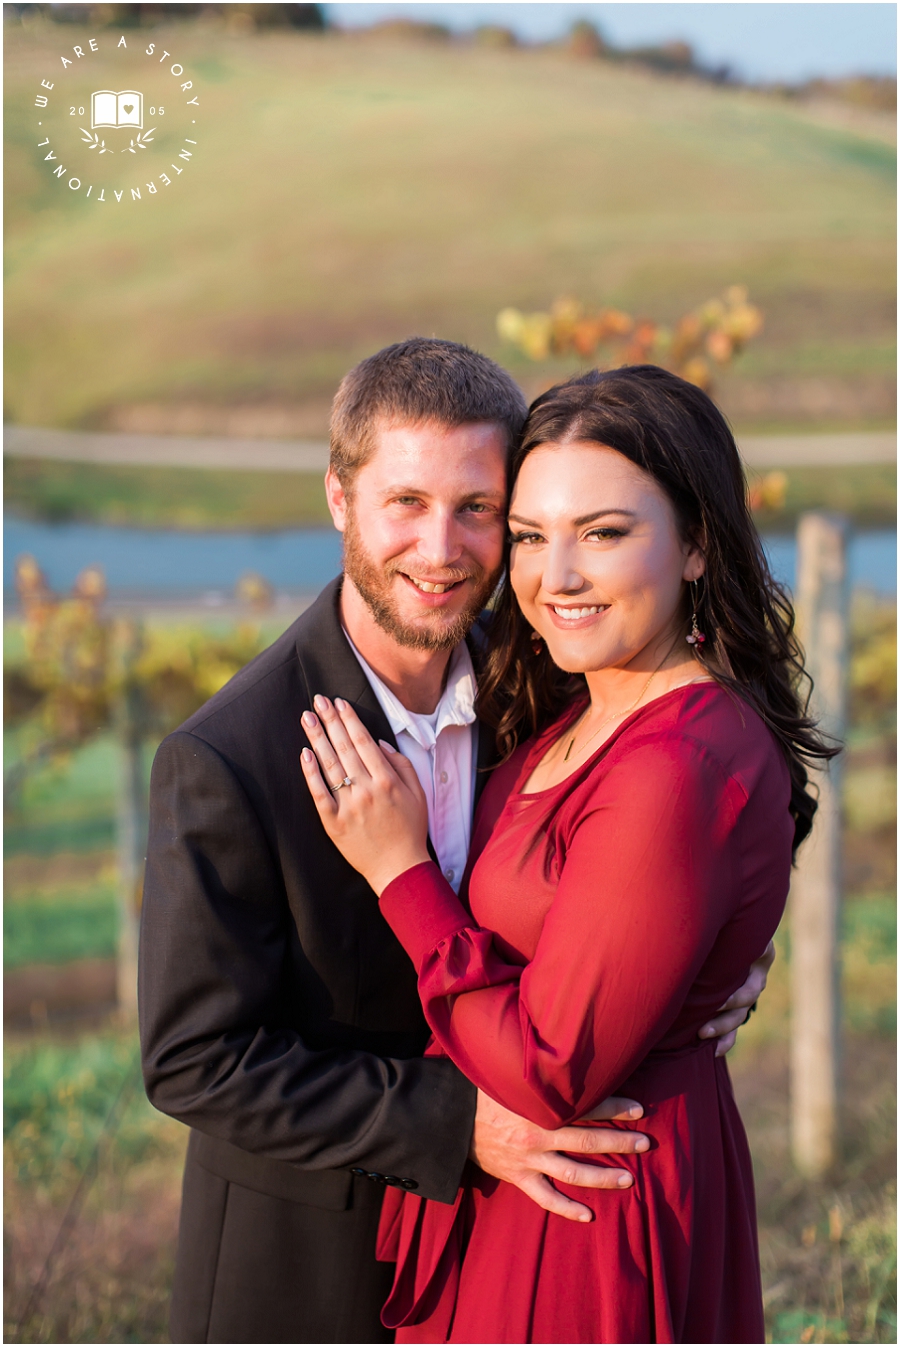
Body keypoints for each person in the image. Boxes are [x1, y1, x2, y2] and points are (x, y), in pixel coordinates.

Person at [139, 342, 769, 1345]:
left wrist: (721, 950)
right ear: (340, 498)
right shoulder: (231, 755)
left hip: (515, 1239)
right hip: (309, 1264)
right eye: (406, 504)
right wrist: (457, 1123)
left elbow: (682, 823)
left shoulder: (553, 681)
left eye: (478, 509)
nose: (441, 550)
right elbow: (194, 1061)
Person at [300, 364, 836, 1344]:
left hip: (589, 1199)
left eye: (605, 533)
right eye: (532, 537)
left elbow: (549, 1071)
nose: (556, 579)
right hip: (534, 1182)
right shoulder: (575, 703)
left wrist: (399, 872)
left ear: (696, 546)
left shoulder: (677, 760)